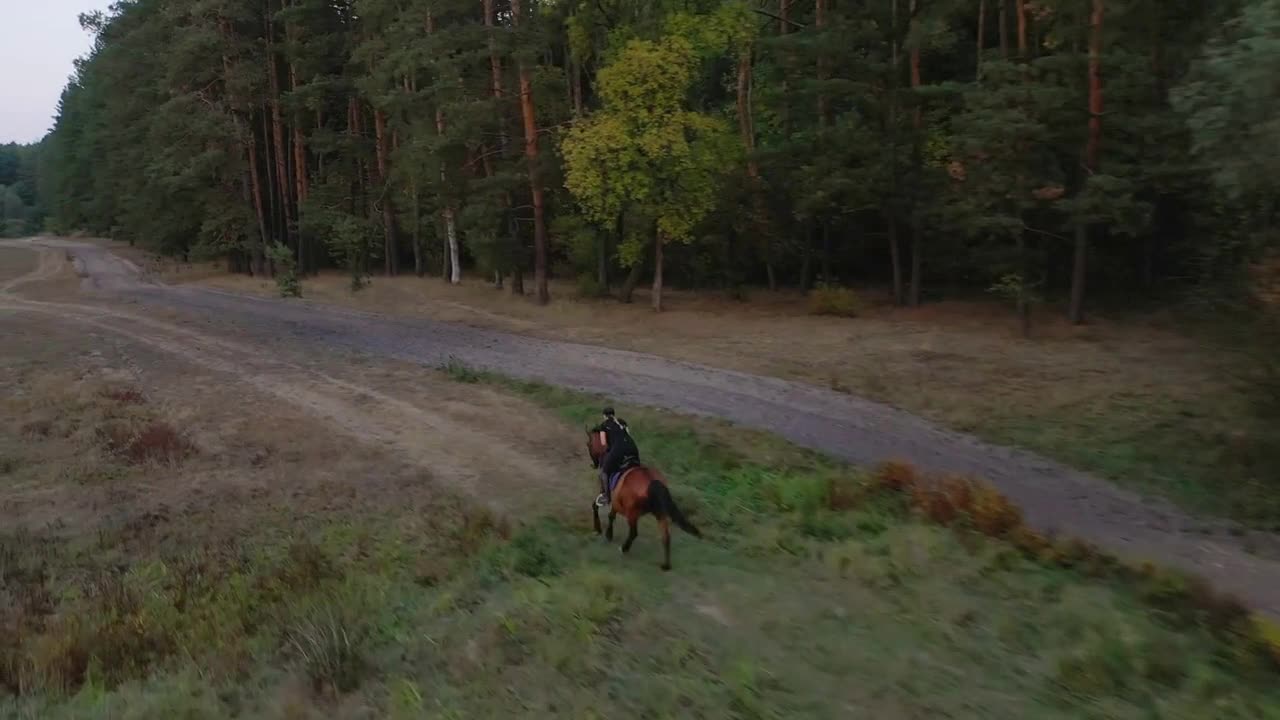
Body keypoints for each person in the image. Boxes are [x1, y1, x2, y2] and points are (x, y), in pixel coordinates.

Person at [592, 406, 639, 508]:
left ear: (604, 416)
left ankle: (606, 497)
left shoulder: (603, 425)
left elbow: (604, 443)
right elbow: (628, 434)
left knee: (604, 472)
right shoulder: (622, 422)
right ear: (614, 414)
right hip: (633, 448)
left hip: (618, 450)